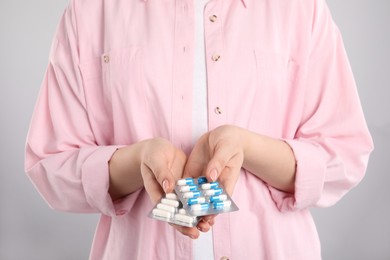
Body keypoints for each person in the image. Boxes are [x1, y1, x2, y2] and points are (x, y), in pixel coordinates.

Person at [25, 0, 373, 259]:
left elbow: (344, 153)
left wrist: (247, 149)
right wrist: (138, 161)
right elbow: (50, 163)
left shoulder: (300, 10)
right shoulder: (92, 11)